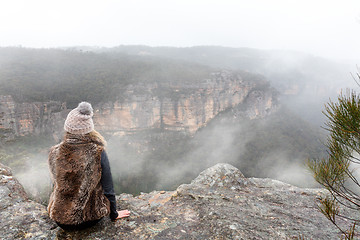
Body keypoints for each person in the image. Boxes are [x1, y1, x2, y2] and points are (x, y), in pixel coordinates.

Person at [47, 101, 130, 230]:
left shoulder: (54, 152)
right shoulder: (97, 152)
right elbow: (108, 188)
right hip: (86, 220)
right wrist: (114, 214)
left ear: (67, 128)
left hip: (60, 219)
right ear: (89, 129)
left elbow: (55, 185)